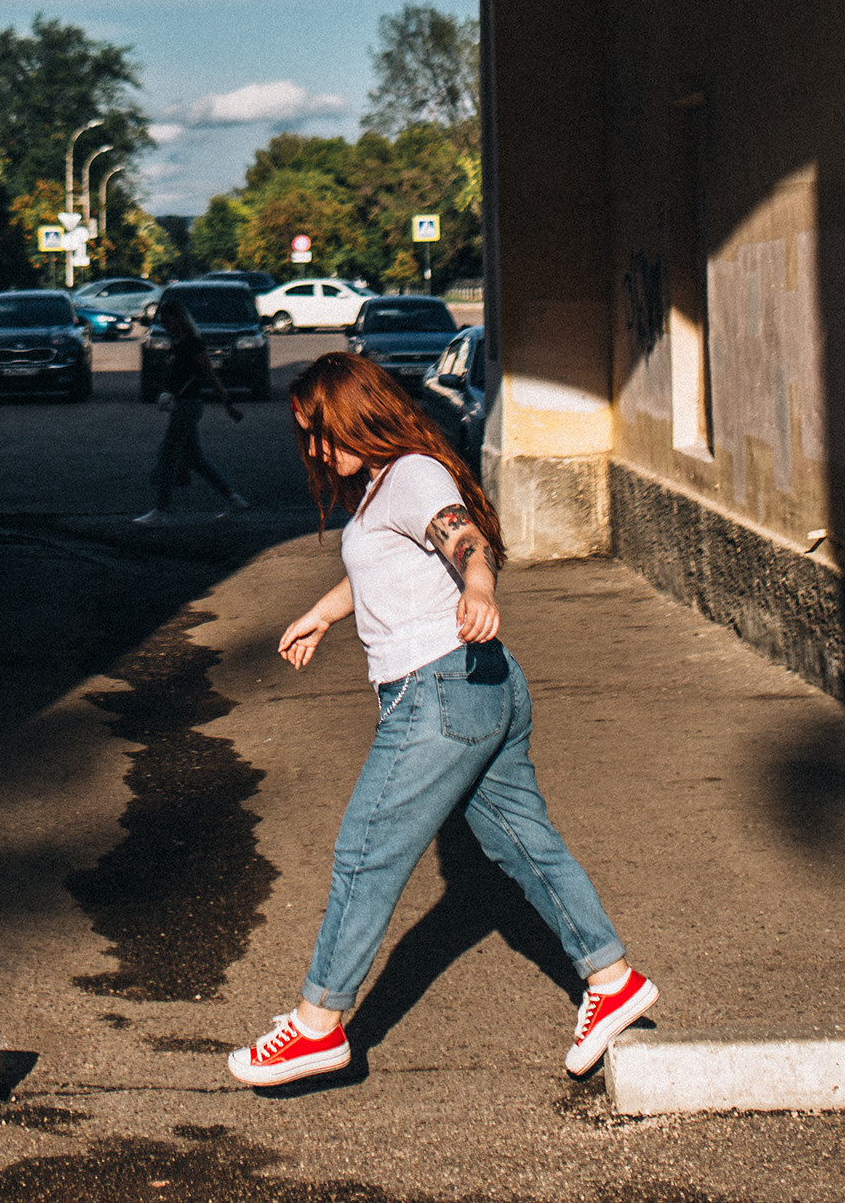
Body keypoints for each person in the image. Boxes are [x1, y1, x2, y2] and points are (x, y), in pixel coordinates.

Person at [227, 351, 656, 1088]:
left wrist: (480, 585)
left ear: (358, 414)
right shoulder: (385, 482)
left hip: (437, 693)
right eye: (309, 437)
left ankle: (317, 1026)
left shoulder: (416, 476)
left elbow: (461, 539)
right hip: (480, 690)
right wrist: (323, 615)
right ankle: (611, 977)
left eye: (323, 433)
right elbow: (384, 567)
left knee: (366, 852)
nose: (317, 451)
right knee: (524, 843)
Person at [135, 296, 252, 523]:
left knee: (169, 456)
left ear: (179, 319)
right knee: (195, 458)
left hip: (188, 405)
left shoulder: (192, 344)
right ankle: (233, 498)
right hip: (182, 404)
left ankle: (160, 509)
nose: (166, 326)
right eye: (163, 322)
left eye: (168, 321)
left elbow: (209, 374)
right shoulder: (179, 343)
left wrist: (228, 404)